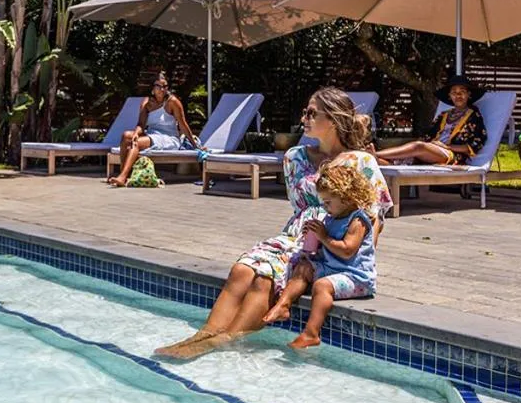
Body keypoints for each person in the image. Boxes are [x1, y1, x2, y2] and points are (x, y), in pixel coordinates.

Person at [154, 87, 392, 359]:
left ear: (334, 119)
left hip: (326, 245)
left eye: (313, 113)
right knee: (242, 269)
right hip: (294, 235)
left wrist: (351, 263)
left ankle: (223, 341)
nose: (305, 118)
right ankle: (203, 335)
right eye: (305, 112)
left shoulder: (361, 161)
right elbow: (300, 208)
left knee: (265, 279)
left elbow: (374, 216)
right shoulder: (295, 157)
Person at [262, 165, 378, 348]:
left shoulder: (358, 220)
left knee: (322, 286)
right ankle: (283, 305)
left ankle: (311, 333)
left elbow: (347, 250)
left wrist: (323, 236)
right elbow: (324, 248)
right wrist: (312, 241)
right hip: (332, 268)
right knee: (303, 268)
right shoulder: (332, 217)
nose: (325, 207)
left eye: (328, 202)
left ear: (347, 197)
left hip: (356, 277)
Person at [107, 72, 199, 187]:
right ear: (152, 88)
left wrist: (195, 145)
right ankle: (124, 174)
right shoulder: (146, 103)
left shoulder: (173, 102)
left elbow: (183, 125)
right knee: (127, 136)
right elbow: (141, 124)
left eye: (165, 86)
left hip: (169, 138)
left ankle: (123, 176)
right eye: (158, 86)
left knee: (136, 143)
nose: (162, 89)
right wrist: (136, 133)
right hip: (152, 135)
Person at [375, 74, 487, 165]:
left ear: (469, 94)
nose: (458, 95)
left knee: (418, 146)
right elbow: (428, 135)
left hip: (450, 154)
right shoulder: (444, 115)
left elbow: (476, 144)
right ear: (449, 96)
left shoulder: (474, 116)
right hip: (431, 149)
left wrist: (447, 146)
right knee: (395, 161)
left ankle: (375, 154)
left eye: (462, 91)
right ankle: (373, 159)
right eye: (454, 92)